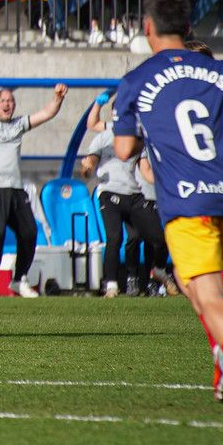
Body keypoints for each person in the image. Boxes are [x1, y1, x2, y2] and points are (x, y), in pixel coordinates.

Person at [110, 0, 223, 421]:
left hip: (188, 200)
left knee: (207, 294)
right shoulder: (218, 67)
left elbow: (125, 149)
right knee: (196, 286)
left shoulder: (136, 79)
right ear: (187, 28)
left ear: (148, 29)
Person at [0, 70, 65, 297]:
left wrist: (58, 98)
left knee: (29, 232)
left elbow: (46, 114)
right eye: (3, 101)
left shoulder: (19, 124)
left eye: (11, 101)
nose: (7, 105)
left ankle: (19, 280)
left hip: (15, 187)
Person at [76, 96, 166, 298]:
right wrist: (87, 168)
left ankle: (158, 273)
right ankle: (112, 284)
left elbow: (145, 170)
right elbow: (90, 162)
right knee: (115, 238)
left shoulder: (137, 138)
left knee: (158, 238)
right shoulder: (105, 136)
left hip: (133, 194)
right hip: (109, 192)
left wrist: (165, 182)